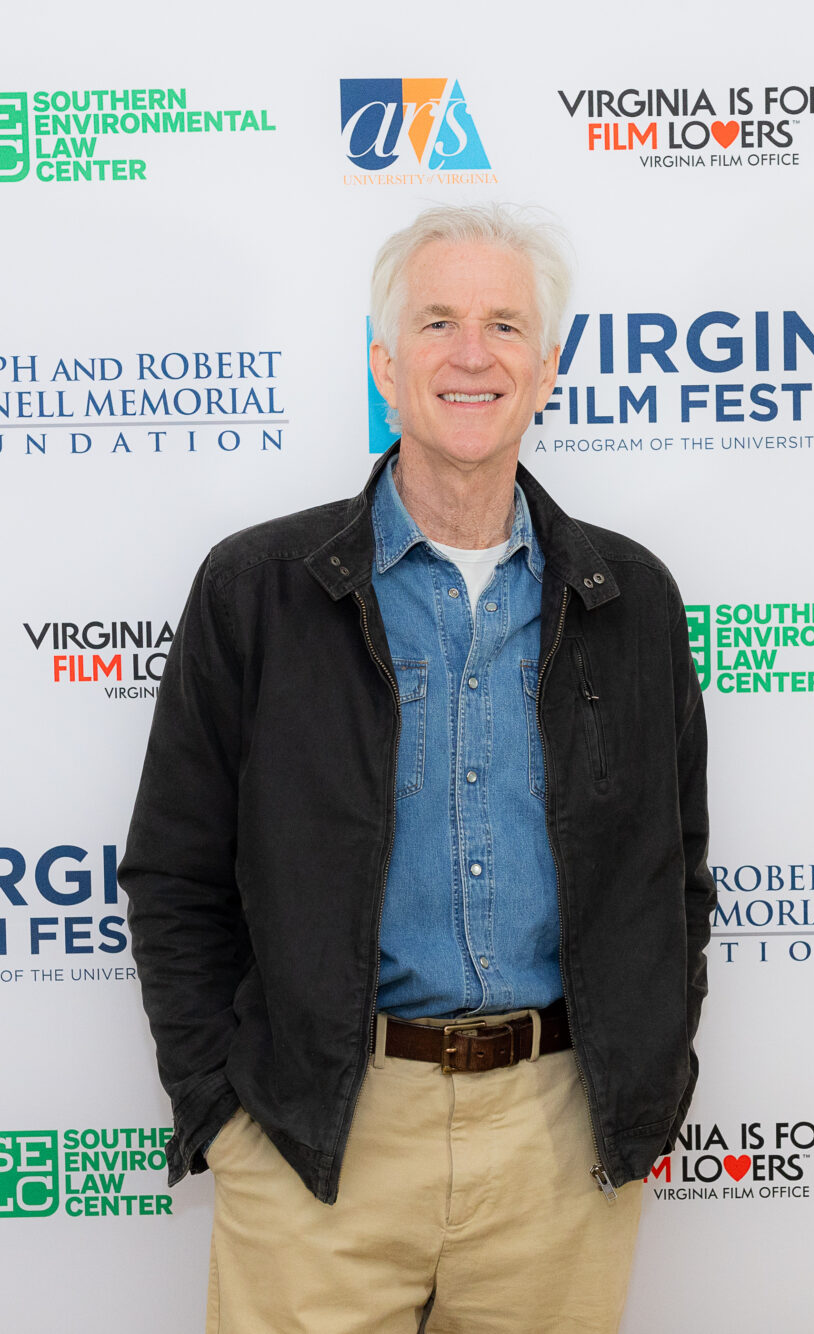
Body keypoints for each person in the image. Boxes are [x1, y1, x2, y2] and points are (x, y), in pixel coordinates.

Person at [122, 202, 715, 1334]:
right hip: (322, 1135)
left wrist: (645, 1078)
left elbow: (672, 869)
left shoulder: (628, 598)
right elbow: (174, 874)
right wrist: (228, 1112)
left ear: (546, 368)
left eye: (503, 324)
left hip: (557, 1139)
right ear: (383, 363)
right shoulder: (258, 590)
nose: (471, 352)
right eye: (437, 320)